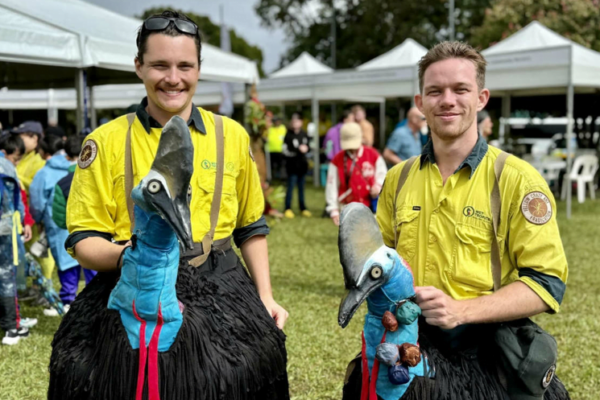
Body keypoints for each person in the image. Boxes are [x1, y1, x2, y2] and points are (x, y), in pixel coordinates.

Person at [49, 10, 289, 400]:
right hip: (128, 284)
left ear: (199, 69)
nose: (173, 78)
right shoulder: (104, 142)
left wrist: (265, 296)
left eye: (185, 66)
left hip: (221, 281)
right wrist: (134, 261)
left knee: (249, 370)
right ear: (138, 67)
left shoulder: (231, 135)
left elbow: (251, 226)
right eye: (160, 65)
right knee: (86, 372)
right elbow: (83, 239)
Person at [374, 41, 568, 399]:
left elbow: (547, 282)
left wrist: (461, 310)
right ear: (420, 103)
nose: (447, 100)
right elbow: (377, 266)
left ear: (481, 98)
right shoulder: (397, 179)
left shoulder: (518, 180)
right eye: (435, 91)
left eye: (460, 89)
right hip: (408, 349)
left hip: (487, 354)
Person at [30, 136, 95, 317]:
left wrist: (41, 221)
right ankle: (96, 300)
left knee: (67, 265)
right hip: (93, 227)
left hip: (62, 228)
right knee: (93, 263)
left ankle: (68, 300)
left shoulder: (50, 175)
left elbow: (43, 206)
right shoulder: (94, 174)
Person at [11, 121, 56, 280]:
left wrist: (16, 177)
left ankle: (47, 283)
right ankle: (38, 285)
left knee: (42, 251)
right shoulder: (24, 158)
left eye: (21, 137)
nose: (18, 141)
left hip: (36, 211)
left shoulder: (39, 161)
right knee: (30, 249)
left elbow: (38, 184)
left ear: (34, 138)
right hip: (24, 210)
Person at [0, 135, 31, 345]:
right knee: (5, 275)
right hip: (4, 228)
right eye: (17, 158)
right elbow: (14, 202)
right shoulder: (6, 168)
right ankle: (12, 327)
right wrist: (20, 224)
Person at [325, 122, 387, 226]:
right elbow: (331, 185)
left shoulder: (373, 154)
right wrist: (333, 210)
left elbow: (383, 175)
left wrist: (377, 187)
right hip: (346, 208)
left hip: (370, 207)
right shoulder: (337, 160)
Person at [282, 113, 311, 219]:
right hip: (292, 167)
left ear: (301, 122)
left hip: (302, 166)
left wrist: (306, 149)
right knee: (290, 187)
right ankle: (287, 208)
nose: (295, 122)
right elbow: (285, 151)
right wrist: (297, 150)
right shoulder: (288, 135)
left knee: (301, 188)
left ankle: (303, 208)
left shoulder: (304, 134)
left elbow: (309, 147)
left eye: (297, 120)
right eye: (293, 121)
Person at [267, 116, 286, 180]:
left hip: (281, 150)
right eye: (275, 121)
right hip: (271, 150)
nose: (276, 122)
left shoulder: (283, 128)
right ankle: (272, 178)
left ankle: (283, 179)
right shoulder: (270, 128)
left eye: (278, 121)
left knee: (281, 166)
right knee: (271, 166)